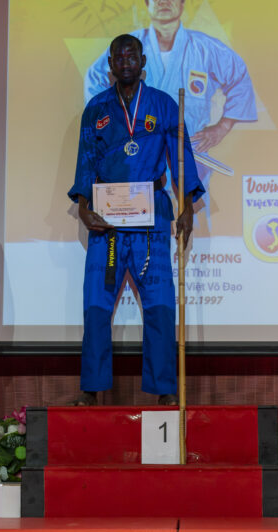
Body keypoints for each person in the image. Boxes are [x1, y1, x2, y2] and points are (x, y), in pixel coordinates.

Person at [69, 34, 204, 406]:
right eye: (119, 56)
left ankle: (164, 390)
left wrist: (187, 206)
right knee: (96, 306)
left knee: (160, 306)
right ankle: (91, 388)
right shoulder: (96, 108)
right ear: (110, 64)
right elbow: (85, 159)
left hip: (152, 220)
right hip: (106, 222)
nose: (125, 61)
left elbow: (181, 157)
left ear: (143, 61)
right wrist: (83, 206)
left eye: (132, 56)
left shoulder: (163, 105)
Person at [84, 0, 256, 188]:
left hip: (190, 160)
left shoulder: (205, 48)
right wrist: (114, 123)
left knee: (193, 208)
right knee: (138, 208)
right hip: (137, 159)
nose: (164, 0)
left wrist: (222, 126)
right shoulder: (128, 45)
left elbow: (239, 77)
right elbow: (95, 77)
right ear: (147, 4)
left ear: (182, 4)